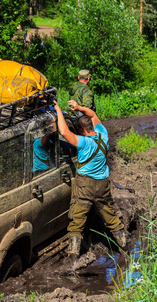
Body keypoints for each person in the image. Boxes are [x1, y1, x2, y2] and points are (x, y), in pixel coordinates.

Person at [52, 99, 126, 267]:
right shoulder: (103, 135)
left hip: (85, 186)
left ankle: (73, 261)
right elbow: (92, 115)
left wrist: (57, 108)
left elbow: (63, 132)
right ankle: (125, 247)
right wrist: (79, 108)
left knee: (76, 221)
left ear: (82, 130)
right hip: (102, 185)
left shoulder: (84, 143)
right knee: (112, 218)